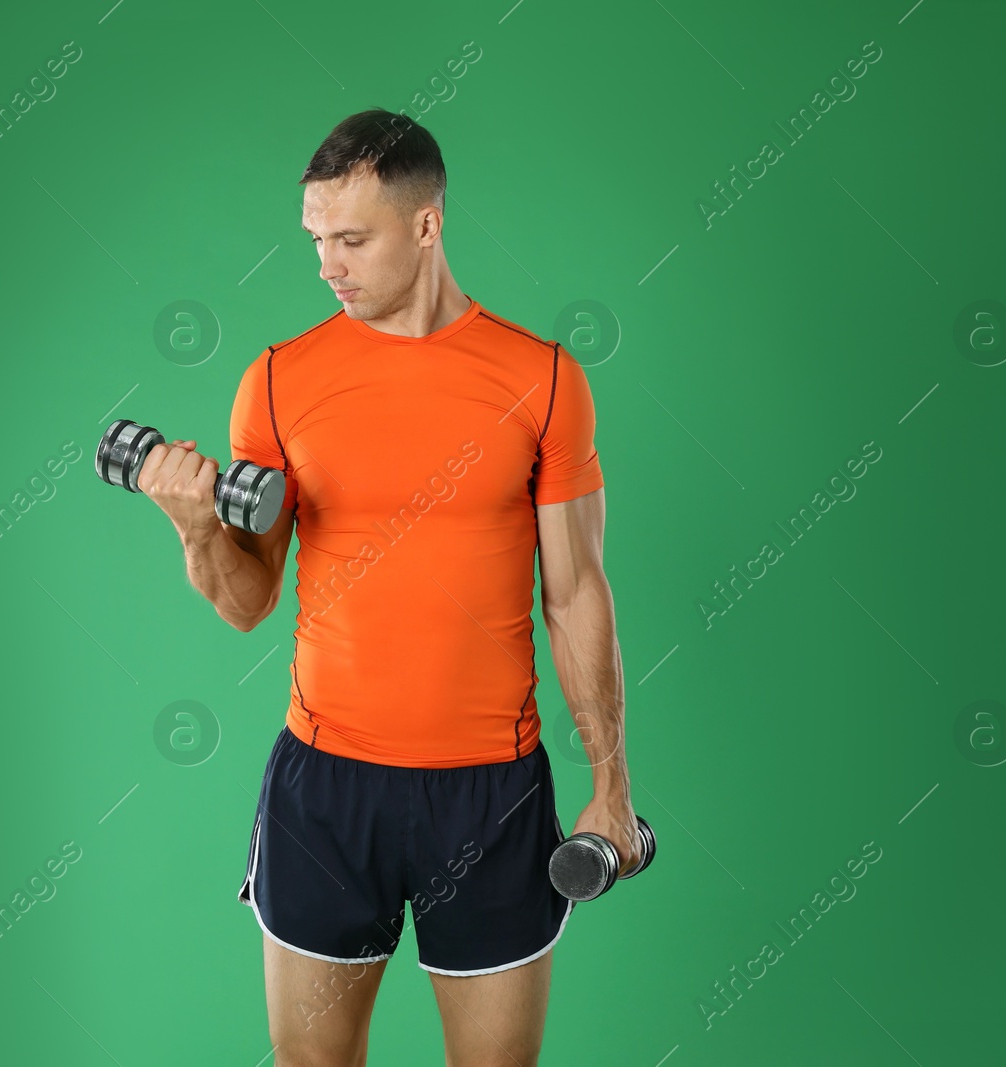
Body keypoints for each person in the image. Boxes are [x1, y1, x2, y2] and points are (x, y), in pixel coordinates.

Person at [137, 108, 641, 1067]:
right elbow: (248, 602)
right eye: (317, 239)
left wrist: (611, 786)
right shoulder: (279, 380)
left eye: (351, 238)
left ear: (426, 223)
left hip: (490, 792)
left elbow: (575, 593)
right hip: (326, 792)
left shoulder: (540, 379)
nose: (328, 263)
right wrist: (196, 526)